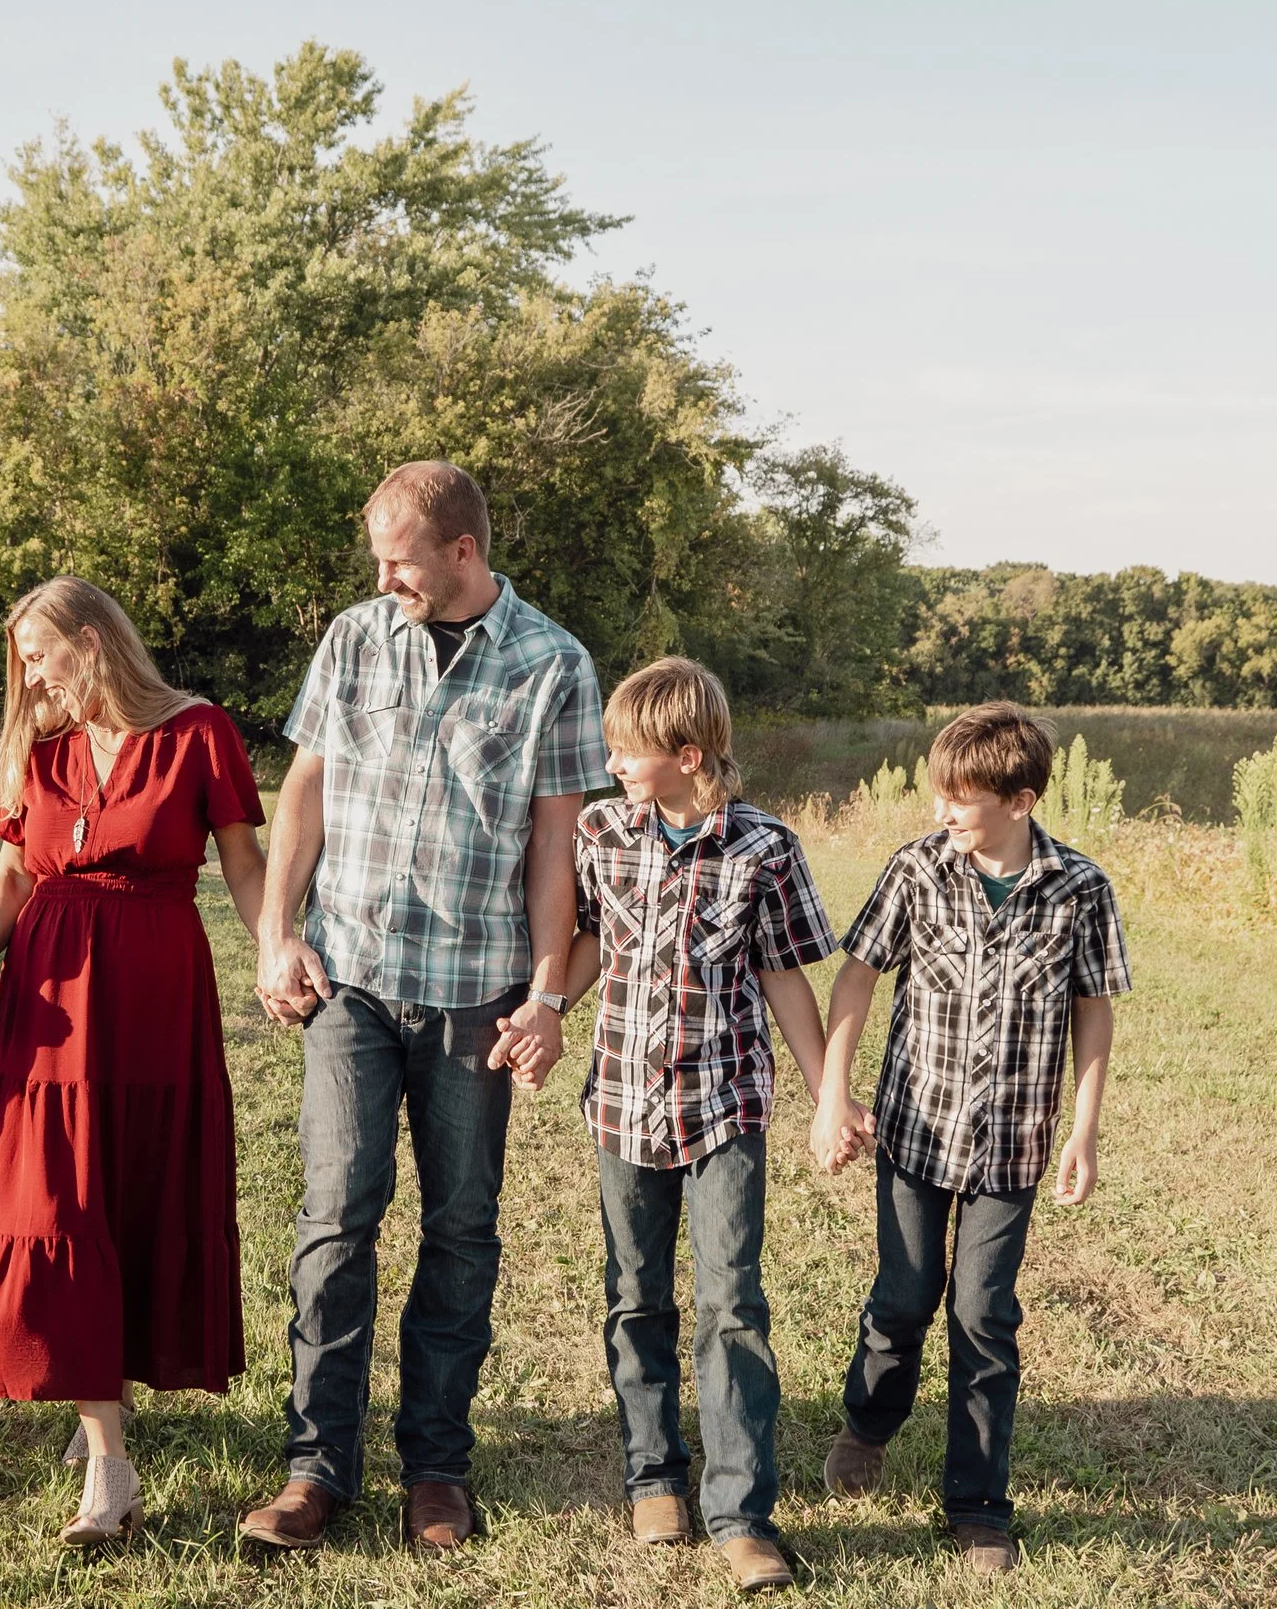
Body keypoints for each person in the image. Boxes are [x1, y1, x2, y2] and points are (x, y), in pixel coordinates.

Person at [242, 460, 608, 1554]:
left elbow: (556, 843)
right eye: (378, 559)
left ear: (462, 549)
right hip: (350, 973)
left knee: (460, 1227)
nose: (383, 575)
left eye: (399, 557)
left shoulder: (554, 661)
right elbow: (303, 787)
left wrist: (548, 990)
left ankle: (436, 1466)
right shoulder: (355, 636)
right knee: (334, 1219)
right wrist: (275, 929)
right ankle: (317, 1466)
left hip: (475, 993)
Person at [0, 576, 269, 1546]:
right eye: (24, 662)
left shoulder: (199, 730)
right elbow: (9, 875)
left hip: (159, 992)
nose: (30, 675)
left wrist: (274, 948)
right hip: (51, 1001)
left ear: (91, 640)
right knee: (53, 1200)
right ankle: (110, 1465)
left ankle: (100, 1394)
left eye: (39, 654)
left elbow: (243, 862)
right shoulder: (35, 752)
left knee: (135, 1186)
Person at [494, 657, 841, 1593]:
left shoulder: (764, 846)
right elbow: (591, 940)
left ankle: (741, 1512)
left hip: (725, 1105)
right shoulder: (605, 831)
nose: (612, 763)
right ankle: (654, 1474)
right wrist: (547, 1006)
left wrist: (829, 1096)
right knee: (634, 1291)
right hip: (623, 1102)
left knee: (733, 1301)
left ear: (687, 753)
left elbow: (783, 977)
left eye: (627, 750)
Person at [809, 701, 1131, 1575]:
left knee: (985, 1315)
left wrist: (1085, 1130)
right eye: (940, 792)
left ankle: (978, 1503)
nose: (943, 810)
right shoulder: (918, 870)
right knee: (906, 1298)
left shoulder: (1081, 888)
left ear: (1020, 800)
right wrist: (833, 1093)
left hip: (1012, 1147)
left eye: (962, 796)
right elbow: (857, 977)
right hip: (916, 1132)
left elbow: (1092, 1015)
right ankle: (870, 1423)